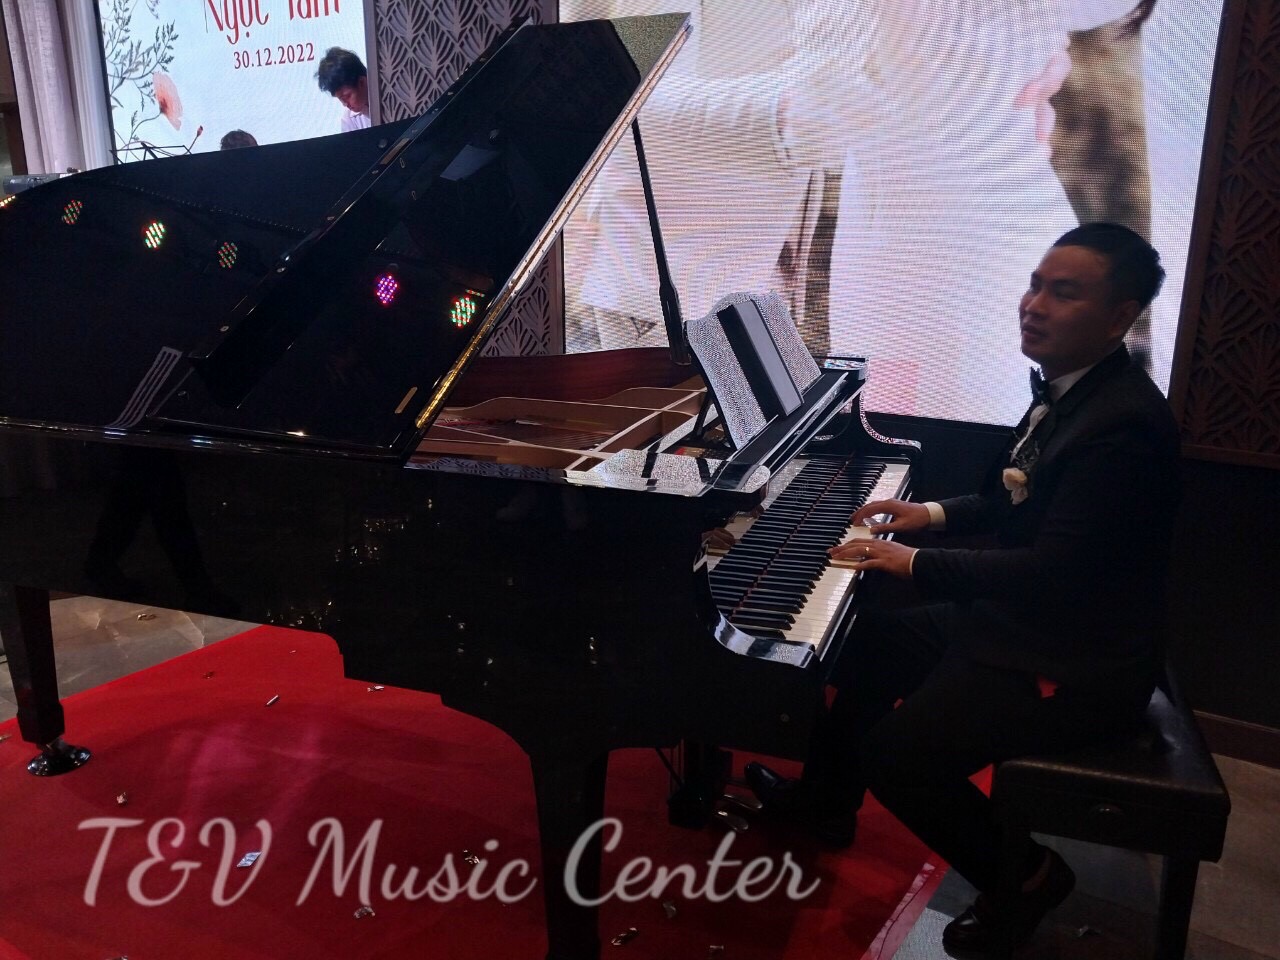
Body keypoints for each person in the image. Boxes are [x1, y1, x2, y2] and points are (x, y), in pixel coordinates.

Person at [746, 223, 1179, 956]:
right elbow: (1011, 499)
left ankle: (1028, 876)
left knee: (897, 755)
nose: (1033, 305)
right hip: (1029, 622)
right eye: (1034, 285)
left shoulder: (1123, 427)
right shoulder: (1075, 392)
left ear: (1119, 317)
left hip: (1073, 661)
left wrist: (912, 562)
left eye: (1063, 293)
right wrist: (930, 515)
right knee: (869, 645)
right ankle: (824, 802)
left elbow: (1053, 570)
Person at [316, 47, 371, 132]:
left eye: (347, 97)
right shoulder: (349, 120)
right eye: (341, 99)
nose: (345, 104)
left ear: (362, 82)